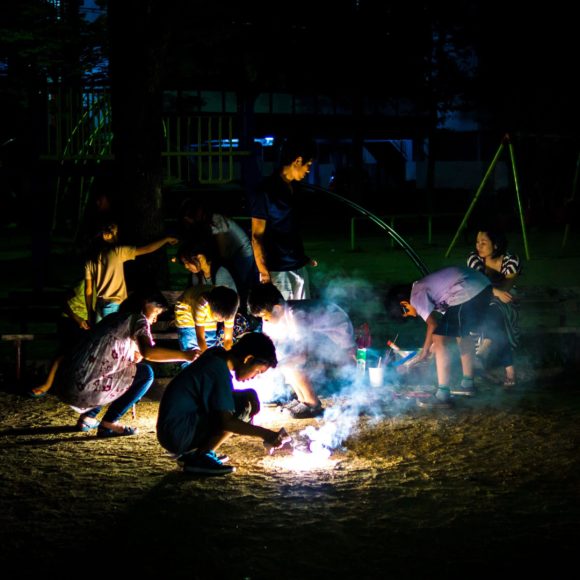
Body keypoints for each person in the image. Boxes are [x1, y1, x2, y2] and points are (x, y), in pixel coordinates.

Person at [53, 290, 198, 437]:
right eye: (156, 314)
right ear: (146, 303)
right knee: (145, 374)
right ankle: (109, 422)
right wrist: (185, 355)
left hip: (66, 385)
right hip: (85, 388)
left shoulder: (113, 318)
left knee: (116, 371)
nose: (154, 320)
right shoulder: (138, 319)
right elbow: (148, 352)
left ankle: (88, 418)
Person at [157, 332, 291, 476]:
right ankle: (201, 457)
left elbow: (219, 395)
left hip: (173, 429)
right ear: (248, 359)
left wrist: (249, 391)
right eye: (257, 371)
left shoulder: (216, 355)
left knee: (242, 400)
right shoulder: (218, 369)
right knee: (243, 406)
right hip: (178, 433)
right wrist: (266, 434)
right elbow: (226, 421)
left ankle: (195, 454)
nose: (255, 376)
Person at [386, 266, 492, 407]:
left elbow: (433, 325)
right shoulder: (433, 293)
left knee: (439, 337)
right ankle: (468, 384)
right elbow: (447, 328)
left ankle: (442, 395)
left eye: (406, 313)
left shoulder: (416, 294)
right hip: (482, 288)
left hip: (467, 289)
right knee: (461, 334)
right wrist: (432, 349)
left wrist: (424, 352)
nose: (412, 315)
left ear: (404, 304)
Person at [248, 282, 356, 419]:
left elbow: (301, 355)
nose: (265, 321)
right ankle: (302, 399)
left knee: (291, 362)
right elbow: (270, 345)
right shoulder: (277, 314)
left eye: (265, 316)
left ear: (277, 308)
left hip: (337, 339)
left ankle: (312, 402)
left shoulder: (296, 314)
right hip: (318, 337)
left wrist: (275, 365)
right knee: (283, 359)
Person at [247, 136, 318, 300]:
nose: (308, 170)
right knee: (280, 321)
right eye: (308, 165)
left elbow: (290, 228)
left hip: (298, 266)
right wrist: (264, 272)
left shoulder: (296, 188)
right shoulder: (265, 191)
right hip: (277, 271)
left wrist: (302, 257)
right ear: (298, 160)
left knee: (302, 318)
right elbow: (256, 236)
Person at [84, 219, 179, 324]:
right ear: (105, 235)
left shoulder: (90, 260)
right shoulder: (117, 252)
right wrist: (165, 240)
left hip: (99, 304)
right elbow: (147, 249)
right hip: (113, 305)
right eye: (114, 233)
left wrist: (89, 312)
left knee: (100, 338)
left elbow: (88, 289)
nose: (117, 236)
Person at [178, 199, 258, 310]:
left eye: (187, 220)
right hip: (230, 254)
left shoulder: (215, 221)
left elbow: (223, 252)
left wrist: (216, 269)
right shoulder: (202, 225)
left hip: (241, 253)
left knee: (238, 282)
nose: (187, 223)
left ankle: (242, 309)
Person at [467, 228, 522, 386]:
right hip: (482, 299)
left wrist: (496, 292)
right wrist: (495, 292)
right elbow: (477, 285)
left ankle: (481, 353)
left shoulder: (511, 261)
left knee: (495, 310)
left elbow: (506, 289)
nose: (479, 246)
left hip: (506, 301)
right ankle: (509, 369)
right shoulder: (474, 258)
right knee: (494, 318)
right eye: (477, 242)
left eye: (483, 243)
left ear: (496, 245)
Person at [29, 279, 91, 398]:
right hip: (70, 319)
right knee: (68, 348)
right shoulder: (84, 283)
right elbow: (63, 302)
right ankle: (47, 384)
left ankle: (69, 385)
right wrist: (76, 318)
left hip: (88, 323)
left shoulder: (108, 284)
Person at [174, 285, 239, 354]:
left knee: (211, 345)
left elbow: (228, 340)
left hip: (208, 314)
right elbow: (200, 338)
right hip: (187, 312)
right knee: (192, 350)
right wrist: (208, 358)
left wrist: (228, 357)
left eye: (224, 319)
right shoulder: (202, 303)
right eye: (219, 318)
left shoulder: (230, 307)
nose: (222, 320)